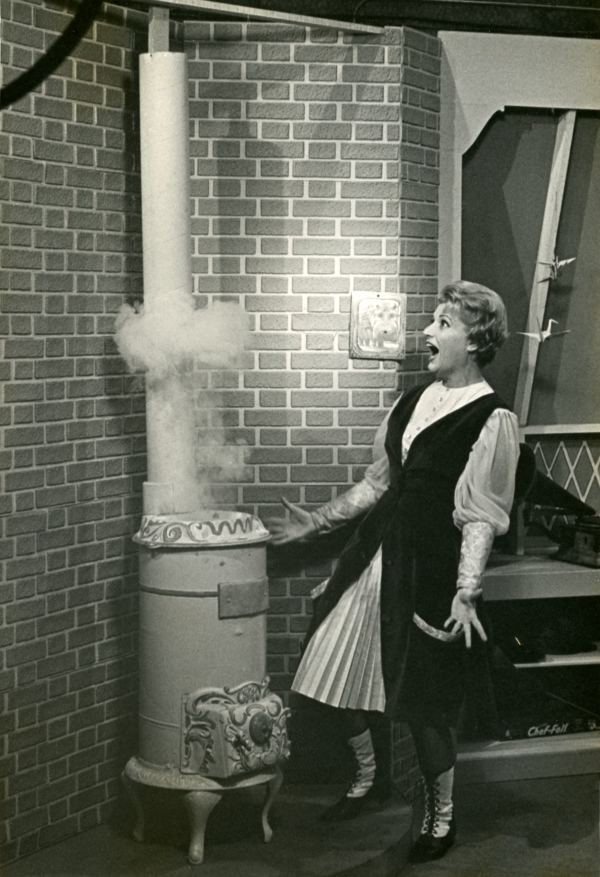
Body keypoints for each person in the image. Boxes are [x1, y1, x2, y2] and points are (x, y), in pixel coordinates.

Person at [268, 281, 519, 864]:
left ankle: (441, 816)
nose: (428, 333)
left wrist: (467, 591)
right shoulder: (411, 400)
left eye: (443, 324)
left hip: (428, 570)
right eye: (433, 321)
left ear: (475, 341)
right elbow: (378, 484)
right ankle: (370, 774)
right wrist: (318, 524)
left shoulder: (493, 418)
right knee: (325, 670)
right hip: (374, 556)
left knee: (424, 704)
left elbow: (481, 516)